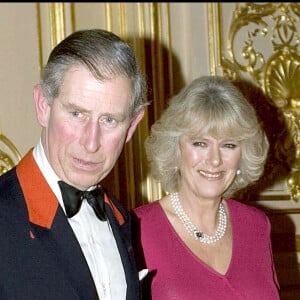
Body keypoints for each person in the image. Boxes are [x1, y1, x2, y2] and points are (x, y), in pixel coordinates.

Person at [0, 29, 148, 300]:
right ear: (43, 105)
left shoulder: (122, 219)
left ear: (131, 127)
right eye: (77, 114)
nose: (91, 143)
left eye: (109, 120)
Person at [133, 75, 280, 299]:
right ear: (176, 148)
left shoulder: (257, 225)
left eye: (228, 145)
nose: (214, 160)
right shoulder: (138, 230)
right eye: (200, 143)